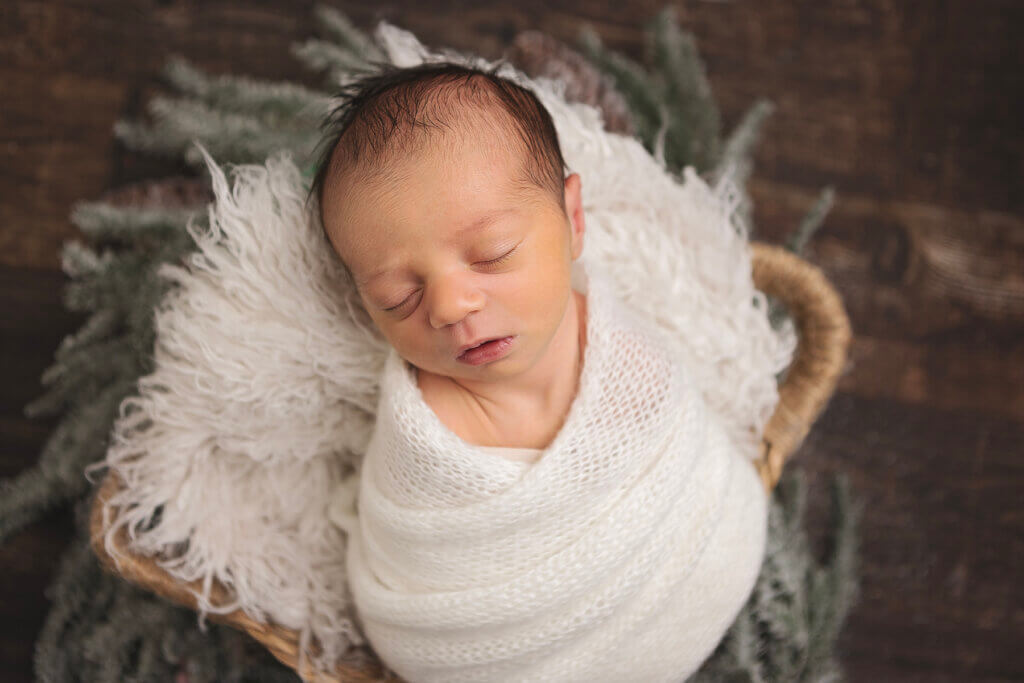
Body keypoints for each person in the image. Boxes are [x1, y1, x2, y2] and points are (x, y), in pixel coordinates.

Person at [309, 61, 587, 464]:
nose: (449, 307)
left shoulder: (616, 343)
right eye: (398, 298)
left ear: (573, 219)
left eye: (494, 253)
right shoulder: (433, 438)